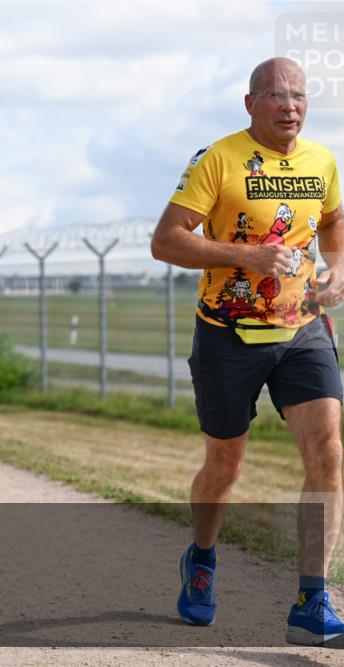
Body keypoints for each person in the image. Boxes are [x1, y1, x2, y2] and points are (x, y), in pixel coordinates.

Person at [151, 58, 344, 645]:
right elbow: (166, 241)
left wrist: (338, 271)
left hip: (304, 330)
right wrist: (246, 256)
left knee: (330, 450)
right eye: (277, 95)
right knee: (225, 466)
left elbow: (334, 228)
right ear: (250, 102)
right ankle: (202, 560)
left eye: (300, 96)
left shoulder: (323, 161)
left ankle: (313, 599)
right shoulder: (218, 159)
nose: (290, 105)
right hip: (228, 334)